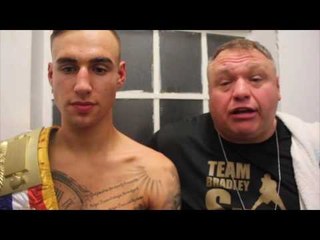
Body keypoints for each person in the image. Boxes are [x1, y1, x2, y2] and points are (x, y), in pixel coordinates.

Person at [0, 30, 180, 210]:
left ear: (120, 75)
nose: (82, 86)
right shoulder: (9, 162)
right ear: (51, 75)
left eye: (99, 69)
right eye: (68, 69)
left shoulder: (157, 174)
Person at [149, 38, 319, 210]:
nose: (241, 92)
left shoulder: (311, 147)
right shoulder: (172, 146)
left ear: (278, 88)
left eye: (256, 78)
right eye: (225, 83)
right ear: (210, 94)